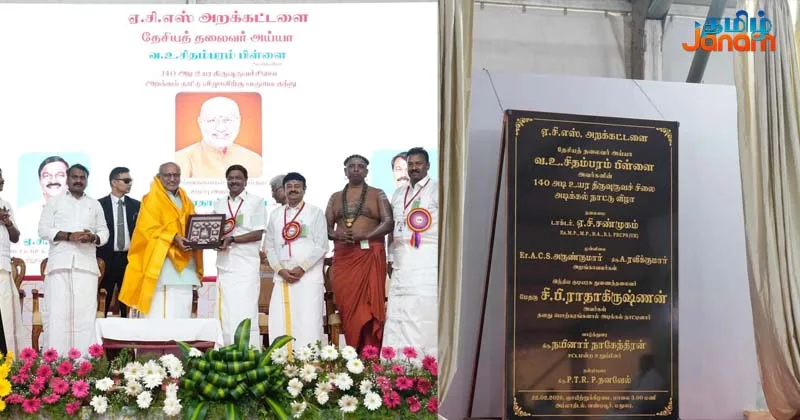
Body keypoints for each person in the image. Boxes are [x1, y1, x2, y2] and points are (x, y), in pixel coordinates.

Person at [38, 164, 109, 353]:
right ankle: (56, 361)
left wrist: (93, 237)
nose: (78, 180)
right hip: (59, 265)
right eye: (74, 177)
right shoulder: (54, 202)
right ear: (67, 179)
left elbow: (104, 232)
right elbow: (43, 230)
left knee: (85, 316)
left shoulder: (94, 204)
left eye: (82, 177)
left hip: (86, 266)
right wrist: (69, 236)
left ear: (86, 180)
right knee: (57, 315)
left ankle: (84, 362)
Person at [325, 155, 393, 351]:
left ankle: (370, 355)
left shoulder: (377, 194)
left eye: (360, 166)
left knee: (370, 307)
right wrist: (337, 235)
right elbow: (325, 228)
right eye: (351, 166)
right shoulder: (335, 197)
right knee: (347, 304)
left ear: (366, 171)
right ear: (345, 171)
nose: (356, 169)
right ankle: (351, 353)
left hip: (369, 255)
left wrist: (365, 236)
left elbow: (388, 222)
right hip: (344, 258)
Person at [118, 162, 203, 319]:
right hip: (161, 269)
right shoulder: (151, 199)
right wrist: (173, 237)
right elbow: (147, 230)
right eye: (167, 175)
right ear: (159, 177)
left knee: (182, 318)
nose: (172, 179)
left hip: (186, 269)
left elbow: (193, 227)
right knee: (159, 320)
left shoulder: (186, 200)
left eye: (176, 175)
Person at [384, 147, 438, 355]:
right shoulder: (399, 193)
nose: (414, 168)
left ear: (428, 166)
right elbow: (393, 227)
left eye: (419, 163)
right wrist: (390, 256)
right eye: (411, 164)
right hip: (401, 258)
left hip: (426, 257)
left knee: (420, 309)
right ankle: (396, 360)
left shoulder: (437, 189)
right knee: (399, 309)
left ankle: (422, 359)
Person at [265, 172, 327, 350]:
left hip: (308, 277)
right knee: (280, 320)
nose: (293, 190)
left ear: (304, 189)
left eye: (297, 186)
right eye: (289, 186)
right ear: (284, 190)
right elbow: (269, 246)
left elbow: (321, 246)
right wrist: (280, 270)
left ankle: (309, 362)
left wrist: (302, 268)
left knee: (308, 320)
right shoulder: (276, 214)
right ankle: (282, 360)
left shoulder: (315, 212)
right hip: (282, 277)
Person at [214, 165, 266, 349]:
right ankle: (224, 350)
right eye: (231, 178)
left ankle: (248, 351)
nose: (234, 181)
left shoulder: (256, 202)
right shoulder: (219, 203)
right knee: (225, 311)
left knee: (245, 309)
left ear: (245, 181)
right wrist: (212, 241)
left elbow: (258, 233)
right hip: (225, 264)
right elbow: (214, 231)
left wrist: (232, 239)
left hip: (246, 265)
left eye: (238, 178)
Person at [175, 96, 263, 179]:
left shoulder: (255, 161)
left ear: (239, 121)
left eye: (227, 120)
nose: (220, 128)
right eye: (212, 120)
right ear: (200, 122)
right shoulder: (180, 160)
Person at [96, 167, 140, 317]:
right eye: (126, 181)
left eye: (130, 181)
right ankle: (99, 331)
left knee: (128, 305)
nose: (130, 184)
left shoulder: (137, 205)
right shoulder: (99, 205)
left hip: (129, 259)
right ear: (114, 182)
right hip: (106, 259)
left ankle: (129, 331)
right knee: (103, 301)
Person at [0, 168, 26, 353]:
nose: (2, 180)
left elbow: (15, 237)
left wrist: (8, 223)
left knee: (7, 318)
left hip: (3, 268)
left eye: (2, 177)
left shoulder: (6, 205)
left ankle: (7, 364)